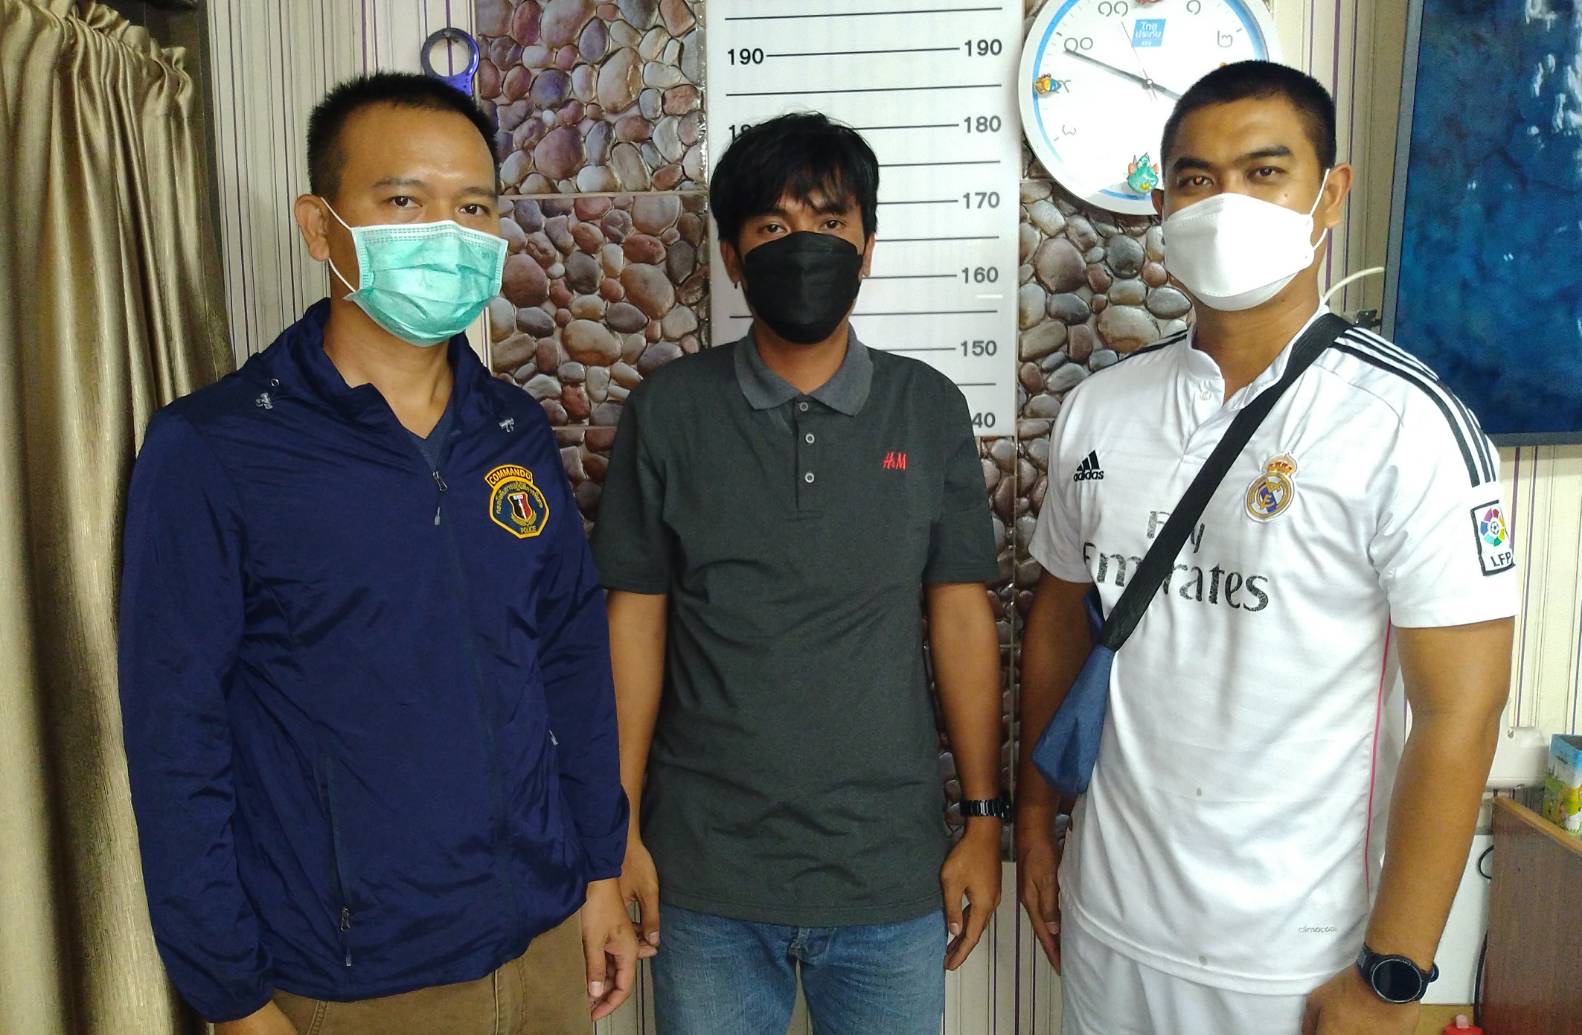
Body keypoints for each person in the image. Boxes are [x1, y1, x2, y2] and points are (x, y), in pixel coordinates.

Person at [118, 72, 636, 1035]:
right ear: (320, 227)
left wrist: (599, 869)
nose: (446, 231)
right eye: (404, 200)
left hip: (542, 945)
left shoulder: (512, 430)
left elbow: (570, 661)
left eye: (472, 206)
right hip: (349, 984)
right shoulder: (216, 449)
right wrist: (232, 996)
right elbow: (174, 738)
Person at [1014, 61, 1517, 1035]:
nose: (1225, 203)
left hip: (1291, 958)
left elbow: (1462, 708)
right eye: (1196, 179)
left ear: (1330, 192)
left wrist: (1391, 975)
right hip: (1105, 924)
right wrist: (1035, 816)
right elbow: (1061, 620)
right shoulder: (1100, 411)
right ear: (1162, 206)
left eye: (1264, 172)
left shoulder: (1406, 426)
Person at [592, 112, 1006, 1034]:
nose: (804, 245)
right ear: (732, 258)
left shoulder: (927, 406)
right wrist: (617, 829)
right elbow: (634, 623)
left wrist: (983, 819)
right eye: (773, 227)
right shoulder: (669, 411)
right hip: (705, 875)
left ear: (868, 247)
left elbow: (961, 616)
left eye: (829, 222)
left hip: (888, 873)